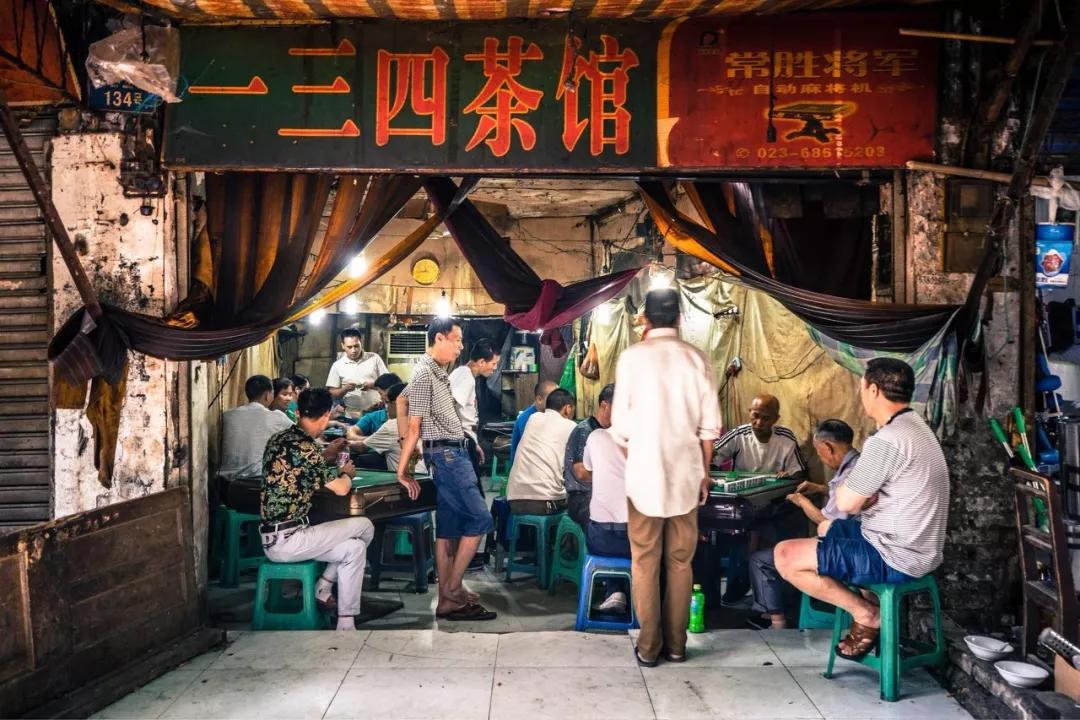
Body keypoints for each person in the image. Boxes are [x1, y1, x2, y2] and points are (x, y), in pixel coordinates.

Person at [775, 358, 949, 661]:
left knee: (785, 556)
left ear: (874, 390)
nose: (861, 394)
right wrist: (865, 494)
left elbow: (846, 502)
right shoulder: (918, 428)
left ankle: (867, 614)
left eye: (862, 387)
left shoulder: (887, 440)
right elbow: (858, 499)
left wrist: (858, 493)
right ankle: (872, 606)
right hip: (919, 549)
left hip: (894, 554)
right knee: (826, 527)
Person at [610, 288, 721, 666]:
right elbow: (709, 430)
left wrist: (639, 459)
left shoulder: (632, 358)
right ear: (680, 318)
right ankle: (676, 646)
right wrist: (703, 475)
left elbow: (620, 429)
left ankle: (648, 647)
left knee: (644, 561)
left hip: (643, 480)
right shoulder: (697, 359)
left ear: (645, 318)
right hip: (687, 478)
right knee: (680, 563)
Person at [398, 317, 497, 622]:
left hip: (450, 452)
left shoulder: (438, 372)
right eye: (456, 340)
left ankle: (445, 600)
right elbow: (413, 424)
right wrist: (403, 470)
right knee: (481, 519)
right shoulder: (423, 373)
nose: (460, 346)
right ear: (439, 338)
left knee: (449, 529)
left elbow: (404, 402)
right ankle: (453, 590)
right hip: (448, 455)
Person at [259, 387, 374, 632]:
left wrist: (326, 454)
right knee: (365, 525)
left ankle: (345, 621)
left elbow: (299, 466)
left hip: (273, 537)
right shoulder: (307, 449)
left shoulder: (278, 439)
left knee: (354, 549)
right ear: (326, 415)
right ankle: (324, 585)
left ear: (299, 411)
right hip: (291, 539)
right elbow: (341, 489)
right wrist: (346, 473)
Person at [749, 419, 859, 630]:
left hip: (843, 545)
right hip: (851, 540)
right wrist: (819, 488)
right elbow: (843, 496)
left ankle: (777, 622)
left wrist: (801, 501)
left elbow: (826, 522)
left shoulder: (849, 474)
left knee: (760, 559)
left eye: (819, 452)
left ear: (828, 447)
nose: (821, 457)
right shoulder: (858, 464)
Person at [712, 394, 808, 605]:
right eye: (755, 416)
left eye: (766, 418)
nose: (758, 422)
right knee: (738, 537)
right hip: (742, 504)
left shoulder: (785, 438)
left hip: (773, 503)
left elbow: (799, 473)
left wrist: (788, 475)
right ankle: (736, 589)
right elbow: (712, 456)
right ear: (749, 413)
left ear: (776, 419)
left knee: (779, 529)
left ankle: (775, 594)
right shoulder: (739, 435)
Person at [583, 419, 630, 613]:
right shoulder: (648, 441)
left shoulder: (595, 437)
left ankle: (615, 590)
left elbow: (587, 469)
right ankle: (631, 595)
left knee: (594, 525)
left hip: (600, 538)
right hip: (634, 539)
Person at [506, 388, 577, 515]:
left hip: (514, 501)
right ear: (568, 408)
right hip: (545, 503)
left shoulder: (533, 418)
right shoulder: (571, 426)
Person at [219, 375, 294, 481]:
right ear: (267, 395)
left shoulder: (227, 416)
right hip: (257, 481)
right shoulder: (277, 417)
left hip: (225, 482)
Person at [564, 384, 615, 530]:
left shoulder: (614, 433)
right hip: (582, 498)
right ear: (604, 406)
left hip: (604, 496)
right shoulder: (584, 431)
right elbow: (581, 472)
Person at [346, 383, 427, 473]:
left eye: (387, 402)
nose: (386, 408)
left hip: (409, 478)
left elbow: (362, 447)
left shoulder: (392, 425)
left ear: (396, 403)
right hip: (430, 477)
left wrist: (343, 444)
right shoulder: (427, 422)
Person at [449, 338, 501, 475]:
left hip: (465, 439)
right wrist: (463, 436)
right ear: (482, 362)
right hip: (461, 441)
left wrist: (474, 442)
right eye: (494, 363)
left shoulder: (465, 375)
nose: (495, 368)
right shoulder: (465, 376)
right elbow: (448, 406)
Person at [326, 328, 389, 415]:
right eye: (349, 347)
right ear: (343, 346)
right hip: (351, 413)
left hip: (376, 410)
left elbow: (388, 382)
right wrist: (344, 389)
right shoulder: (337, 365)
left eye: (356, 346)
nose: (354, 350)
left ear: (361, 343)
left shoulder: (374, 358)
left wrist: (373, 384)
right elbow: (332, 392)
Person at [510, 380, 558, 465]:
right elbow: (534, 450)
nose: (559, 402)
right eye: (554, 399)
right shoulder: (526, 419)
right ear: (539, 400)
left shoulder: (552, 415)